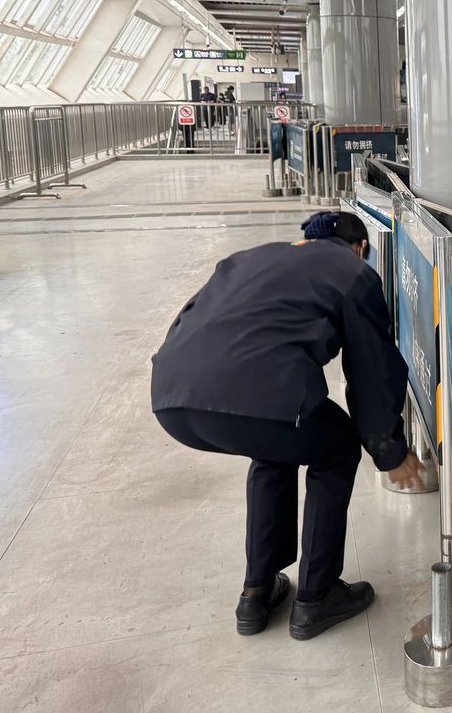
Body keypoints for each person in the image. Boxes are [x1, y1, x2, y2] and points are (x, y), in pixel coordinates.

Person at [151, 212, 425, 639]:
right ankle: (317, 596)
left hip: (172, 395)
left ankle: (256, 593)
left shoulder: (249, 258)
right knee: (337, 445)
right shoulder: (353, 272)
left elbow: (190, 316)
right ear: (361, 248)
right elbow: (372, 369)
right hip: (251, 391)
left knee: (275, 441)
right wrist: (388, 449)